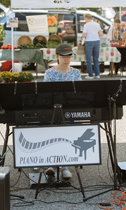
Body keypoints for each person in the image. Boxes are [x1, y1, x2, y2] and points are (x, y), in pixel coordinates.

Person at [43, 43, 82, 179]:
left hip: (70, 111)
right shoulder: (49, 73)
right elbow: (45, 96)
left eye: (69, 56)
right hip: (53, 111)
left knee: (67, 131)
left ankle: (63, 165)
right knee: (52, 129)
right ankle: (52, 164)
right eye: (64, 56)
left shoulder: (76, 73)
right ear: (57, 56)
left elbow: (80, 95)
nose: (66, 59)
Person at [82, 13, 103, 80]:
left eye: (84, 18)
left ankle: (90, 75)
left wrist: (82, 38)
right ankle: (97, 74)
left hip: (89, 42)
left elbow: (84, 35)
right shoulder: (97, 24)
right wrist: (95, 35)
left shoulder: (86, 25)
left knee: (88, 59)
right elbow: (101, 34)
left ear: (86, 18)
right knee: (96, 59)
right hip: (97, 41)